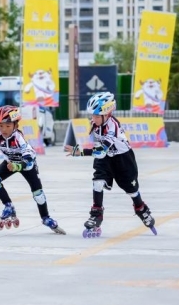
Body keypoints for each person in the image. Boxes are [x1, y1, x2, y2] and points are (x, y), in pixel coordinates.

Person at [66, 92, 156, 238]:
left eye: (96, 116)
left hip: (123, 159)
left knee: (132, 190)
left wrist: (80, 152)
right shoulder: (96, 124)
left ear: (107, 114)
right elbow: (100, 151)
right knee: (97, 182)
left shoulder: (112, 127)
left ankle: (141, 209)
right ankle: (96, 214)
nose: (93, 119)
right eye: (92, 116)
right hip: (106, 157)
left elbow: (100, 151)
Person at [0, 105, 65, 234]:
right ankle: (8, 206)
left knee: (38, 195)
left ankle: (45, 218)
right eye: (1, 126)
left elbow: (29, 159)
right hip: (10, 162)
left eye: (8, 126)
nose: (4, 129)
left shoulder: (18, 139)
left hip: (26, 164)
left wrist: (18, 166)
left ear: (15, 125)